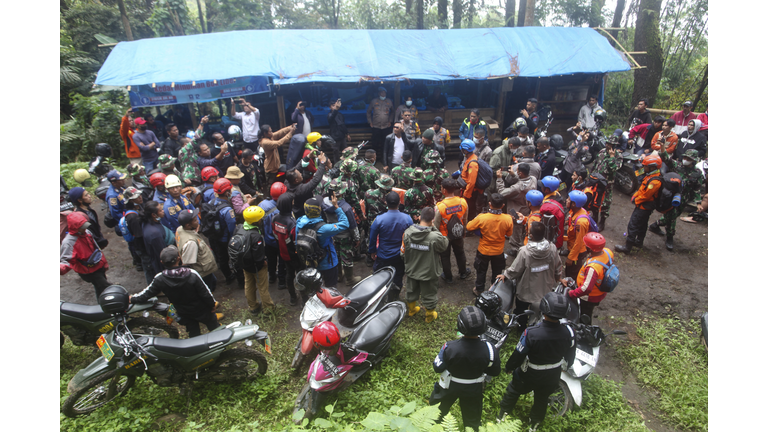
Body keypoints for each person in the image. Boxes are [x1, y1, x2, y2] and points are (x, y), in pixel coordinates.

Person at [496, 292, 576, 430]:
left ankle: (502, 415)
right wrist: (566, 365)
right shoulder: (569, 332)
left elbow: (519, 354)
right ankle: (534, 424)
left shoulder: (532, 332)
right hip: (553, 374)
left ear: (543, 310)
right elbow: (570, 354)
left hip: (530, 373)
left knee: (513, 391)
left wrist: (509, 367)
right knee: (542, 398)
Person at [430, 306, 501, 431]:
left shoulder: (449, 347)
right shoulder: (490, 349)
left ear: (460, 326)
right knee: (472, 422)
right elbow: (495, 371)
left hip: (448, 386)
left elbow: (437, 367)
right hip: (474, 389)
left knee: (435, 415)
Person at [130, 246, 221, 337]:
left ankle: (198, 348)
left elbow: (146, 294)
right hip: (202, 309)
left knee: (194, 333)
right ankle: (220, 343)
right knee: (214, 328)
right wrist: (212, 305)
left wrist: (132, 299)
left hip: (183, 312)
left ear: (162, 262)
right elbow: (205, 293)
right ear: (179, 258)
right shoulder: (191, 274)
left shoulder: (160, 279)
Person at [497, 221, 565, 329]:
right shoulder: (552, 248)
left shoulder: (525, 252)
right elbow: (558, 265)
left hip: (526, 289)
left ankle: (521, 327)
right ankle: (536, 328)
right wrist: (558, 277)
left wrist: (505, 274)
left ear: (531, 235)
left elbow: (515, 269)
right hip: (544, 287)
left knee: (521, 310)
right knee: (540, 311)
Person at [649, 149, 706, 251]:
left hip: (683, 199)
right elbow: (666, 158)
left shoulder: (697, 173)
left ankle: (655, 225)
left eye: (688, 158)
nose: (685, 160)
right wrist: (662, 148)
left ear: (693, 160)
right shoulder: (677, 165)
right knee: (672, 216)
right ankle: (670, 236)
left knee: (673, 215)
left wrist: (698, 203)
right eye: (685, 157)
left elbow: (697, 188)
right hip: (671, 195)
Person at [401, 207, 449, 322]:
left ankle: (412, 310)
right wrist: (434, 228)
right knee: (429, 293)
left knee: (411, 290)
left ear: (419, 217)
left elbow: (402, 253)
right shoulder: (435, 237)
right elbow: (444, 244)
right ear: (432, 220)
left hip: (412, 270)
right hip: (429, 271)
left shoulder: (407, 233)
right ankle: (429, 315)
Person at [466, 193, 513, 296]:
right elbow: (509, 234)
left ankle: (479, 289)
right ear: (503, 205)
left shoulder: (482, 217)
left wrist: (478, 218)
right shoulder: (508, 218)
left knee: (481, 270)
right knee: (497, 271)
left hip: (483, 250)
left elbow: (469, 227)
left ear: (489, 204)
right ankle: (494, 289)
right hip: (498, 251)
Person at [369, 191, 413, 301]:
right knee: (398, 276)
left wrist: (372, 251)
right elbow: (412, 237)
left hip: (383, 255)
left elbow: (372, 238)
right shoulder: (407, 219)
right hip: (400, 255)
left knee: (379, 276)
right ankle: (394, 298)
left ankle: (380, 296)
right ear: (399, 203)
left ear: (385, 203)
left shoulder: (379, 220)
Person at [296, 196, 348, 288]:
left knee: (316, 287)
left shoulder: (300, 223)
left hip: (311, 262)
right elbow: (345, 224)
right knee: (331, 287)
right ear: (318, 210)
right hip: (328, 263)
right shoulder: (324, 229)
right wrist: (336, 207)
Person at [615, 154, 663, 253]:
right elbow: (642, 189)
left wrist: (636, 200)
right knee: (642, 224)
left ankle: (628, 247)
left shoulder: (655, 182)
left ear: (652, 167)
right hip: (644, 205)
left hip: (644, 206)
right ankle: (639, 242)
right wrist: (635, 194)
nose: (643, 168)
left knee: (633, 224)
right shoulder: (650, 176)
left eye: (645, 166)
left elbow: (646, 196)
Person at [60, 212, 111, 298]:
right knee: (106, 288)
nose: (85, 228)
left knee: (100, 289)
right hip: (88, 271)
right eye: (82, 227)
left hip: (98, 266)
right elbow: (66, 261)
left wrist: (104, 263)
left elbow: (96, 249)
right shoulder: (69, 242)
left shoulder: (87, 232)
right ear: (74, 227)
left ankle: (102, 307)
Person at [566, 232, 614, 322]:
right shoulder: (608, 252)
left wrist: (571, 293)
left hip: (589, 297)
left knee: (585, 315)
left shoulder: (593, 268)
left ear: (590, 248)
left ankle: (585, 329)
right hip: (600, 290)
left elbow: (586, 288)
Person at [325, 179, 362, 287]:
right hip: (345, 235)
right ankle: (350, 278)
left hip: (332, 234)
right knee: (347, 256)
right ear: (340, 192)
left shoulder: (325, 203)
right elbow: (352, 225)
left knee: (336, 254)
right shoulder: (346, 207)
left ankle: (338, 276)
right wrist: (357, 238)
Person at [434, 178, 470, 283]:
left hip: (444, 236)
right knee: (460, 253)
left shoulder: (439, 207)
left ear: (443, 189)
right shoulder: (463, 202)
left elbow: (436, 225)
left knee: (445, 256)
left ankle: (448, 277)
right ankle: (463, 272)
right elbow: (465, 219)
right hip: (458, 233)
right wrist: (463, 231)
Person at [497, 163, 537, 256]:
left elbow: (502, 192)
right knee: (524, 227)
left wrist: (499, 178)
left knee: (516, 228)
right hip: (527, 207)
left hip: (516, 209)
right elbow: (522, 180)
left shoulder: (517, 188)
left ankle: (515, 249)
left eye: (517, 171)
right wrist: (513, 175)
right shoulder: (533, 179)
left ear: (521, 173)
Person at [272, 194, 306, 305]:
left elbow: (275, 235)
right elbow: (296, 241)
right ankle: (304, 299)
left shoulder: (275, 218)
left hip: (283, 252)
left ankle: (292, 297)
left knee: (289, 275)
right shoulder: (291, 223)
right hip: (294, 255)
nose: (293, 202)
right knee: (300, 276)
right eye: (292, 201)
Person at [591, 135, 622, 231]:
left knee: (605, 203)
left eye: (610, 144)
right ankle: (595, 218)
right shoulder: (602, 152)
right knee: (595, 199)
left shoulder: (618, 156)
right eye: (607, 143)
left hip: (607, 183)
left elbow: (614, 168)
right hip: (597, 181)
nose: (607, 145)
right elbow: (596, 163)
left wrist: (611, 157)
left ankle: (602, 221)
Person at [285, 151, 329, 218]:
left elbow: (298, 167)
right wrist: (322, 163)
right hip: (302, 212)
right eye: (300, 174)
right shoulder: (300, 190)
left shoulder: (288, 181)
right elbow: (315, 180)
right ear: (296, 180)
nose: (301, 174)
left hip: (295, 208)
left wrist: (308, 157)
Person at [564, 190, 590, 279]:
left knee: (571, 274)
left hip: (577, 252)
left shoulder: (581, 222)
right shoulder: (575, 211)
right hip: (571, 247)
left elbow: (579, 242)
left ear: (574, 204)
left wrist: (571, 258)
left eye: (568, 199)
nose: (566, 200)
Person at [141, 200, 170, 277]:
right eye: (160, 210)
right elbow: (163, 254)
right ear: (154, 215)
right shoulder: (154, 233)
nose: (163, 211)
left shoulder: (149, 223)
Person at [459, 140, 485, 222]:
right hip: (469, 190)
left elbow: (472, 181)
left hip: (471, 192)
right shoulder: (470, 158)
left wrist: (466, 195)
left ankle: (470, 227)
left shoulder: (472, 164)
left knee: (470, 210)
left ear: (465, 150)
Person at [367, 86, 394, 162]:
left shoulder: (389, 101)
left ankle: (383, 159)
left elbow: (392, 112)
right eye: (381, 92)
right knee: (374, 144)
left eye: (384, 92)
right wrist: (370, 122)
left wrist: (390, 121)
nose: (383, 94)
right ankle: (373, 160)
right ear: (379, 93)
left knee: (384, 144)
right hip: (376, 126)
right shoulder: (374, 101)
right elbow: (368, 112)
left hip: (385, 127)